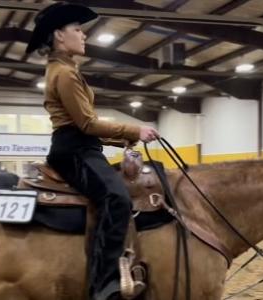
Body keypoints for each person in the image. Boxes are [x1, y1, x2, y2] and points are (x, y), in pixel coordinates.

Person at [26, 3, 159, 300]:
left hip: (80, 147)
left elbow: (83, 126)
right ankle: (105, 286)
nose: (83, 34)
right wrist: (133, 131)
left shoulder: (64, 70)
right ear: (60, 35)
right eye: (77, 29)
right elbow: (86, 123)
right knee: (116, 198)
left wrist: (122, 141)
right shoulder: (64, 74)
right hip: (75, 151)